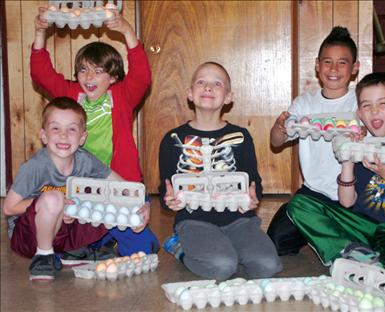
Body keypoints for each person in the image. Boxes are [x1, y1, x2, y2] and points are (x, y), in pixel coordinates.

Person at [30, 8, 159, 258]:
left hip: (119, 183)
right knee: (65, 246)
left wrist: (127, 32)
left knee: (140, 250)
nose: (89, 77)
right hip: (81, 186)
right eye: (83, 70)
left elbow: (142, 76)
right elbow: (40, 73)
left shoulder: (122, 96)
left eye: (98, 71)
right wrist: (39, 32)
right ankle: (99, 240)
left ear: (112, 77)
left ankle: (113, 238)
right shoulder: (69, 94)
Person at [288, 72, 385, 282]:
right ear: (359, 113)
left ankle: (378, 266)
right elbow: (347, 202)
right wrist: (347, 159)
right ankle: (352, 252)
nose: (374, 111)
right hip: (362, 227)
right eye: (366, 106)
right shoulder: (362, 143)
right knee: (300, 204)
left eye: (382, 104)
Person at [3, 97, 151, 281]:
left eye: (71, 129)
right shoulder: (35, 167)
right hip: (28, 235)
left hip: (64, 229)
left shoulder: (85, 160)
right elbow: (9, 208)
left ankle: (74, 251)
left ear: (82, 137)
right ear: (43, 135)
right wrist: (48, 202)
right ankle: (44, 256)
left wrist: (141, 204)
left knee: (98, 202)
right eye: (55, 128)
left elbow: (122, 187)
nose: (64, 135)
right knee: (54, 198)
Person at [159, 62, 282, 280]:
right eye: (201, 82)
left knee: (268, 265)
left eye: (217, 83)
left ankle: (225, 246)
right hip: (194, 218)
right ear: (189, 93)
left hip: (239, 218)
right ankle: (181, 248)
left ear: (228, 97)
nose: (208, 87)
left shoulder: (241, 136)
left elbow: (253, 180)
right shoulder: (172, 139)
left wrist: (254, 197)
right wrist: (167, 199)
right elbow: (165, 187)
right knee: (223, 266)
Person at [267, 26, 360, 256]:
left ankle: (330, 236)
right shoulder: (305, 103)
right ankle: (323, 233)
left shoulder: (361, 102)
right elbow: (276, 142)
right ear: (317, 66)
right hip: (313, 194)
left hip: (351, 195)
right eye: (327, 62)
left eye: (342, 62)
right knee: (276, 242)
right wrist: (280, 127)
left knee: (367, 230)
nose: (334, 69)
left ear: (355, 68)